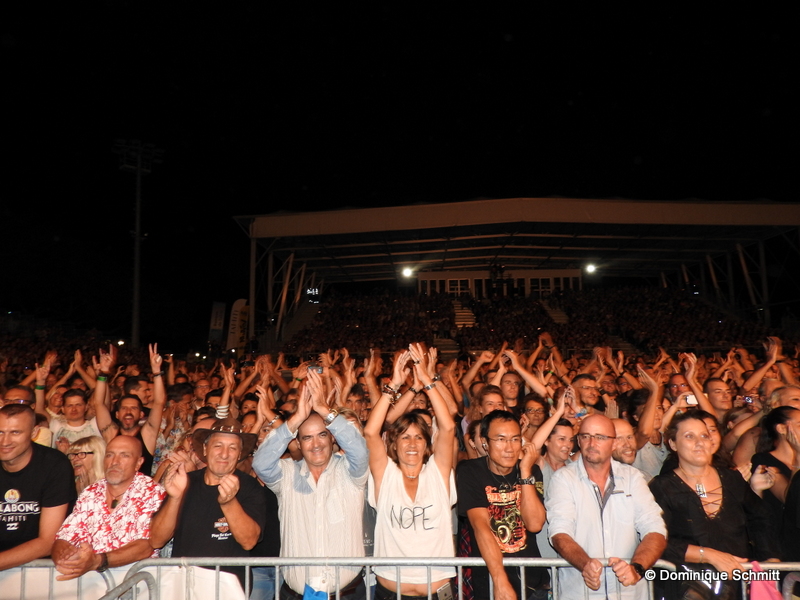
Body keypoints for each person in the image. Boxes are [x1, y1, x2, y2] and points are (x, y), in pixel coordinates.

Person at [252, 369, 368, 600]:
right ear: (298, 443)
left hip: (347, 593)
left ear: (332, 437)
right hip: (296, 594)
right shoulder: (286, 474)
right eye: (307, 437)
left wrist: (325, 409)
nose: (316, 444)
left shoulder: (351, 471)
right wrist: (295, 419)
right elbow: (260, 463)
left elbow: (360, 450)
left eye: (322, 435)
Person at [649, 411, 778, 599]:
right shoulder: (662, 487)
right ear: (673, 444)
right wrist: (707, 555)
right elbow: (654, 540)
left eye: (704, 436)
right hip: (686, 586)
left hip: (735, 584)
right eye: (689, 436)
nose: (699, 442)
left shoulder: (732, 479)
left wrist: (770, 558)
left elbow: (761, 519)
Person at [365, 345, 456, 600]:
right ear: (394, 444)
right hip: (390, 592)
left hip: (436, 592)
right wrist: (394, 385)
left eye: (418, 437)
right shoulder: (386, 474)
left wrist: (427, 380)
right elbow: (371, 432)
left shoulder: (437, 473)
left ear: (427, 444)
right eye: (405, 437)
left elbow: (448, 427)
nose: (412, 444)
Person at [546, 414, 666, 600]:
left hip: (629, 593)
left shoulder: (632, 478)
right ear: (579, 441)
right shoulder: (563, 479)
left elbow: (655, 529)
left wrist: (637, 568)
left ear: (614, 443)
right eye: (585, 436)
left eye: (600, 437)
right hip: (581, 592)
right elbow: (559, 533)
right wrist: (585, 564)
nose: (592, 443)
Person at [150, 417, 266, 594]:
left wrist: (229, 503)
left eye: (232, 448)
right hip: (183, 587)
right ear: (205, 449)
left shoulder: (250, 487)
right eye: (218, 445)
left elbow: (249, 542)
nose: (224, 454)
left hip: (227, 588)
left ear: (240, 454)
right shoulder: (185, 482)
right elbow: (156, 540)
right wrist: (175, 498)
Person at [457, 410, 548, 600]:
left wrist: (525, 473)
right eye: (500, 439)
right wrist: (500, 580)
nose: (509, 448)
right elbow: (480, 526)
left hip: (533, 583)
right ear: (485, 442)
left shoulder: (531, 470)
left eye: (515, 439)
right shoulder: (470, 471)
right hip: (490, 580)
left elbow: (534, 524)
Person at [51, 435, 165, 580]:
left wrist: (97, 561)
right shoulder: (91, 492)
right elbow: (63, 538)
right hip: (91, 582)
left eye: (124, 456)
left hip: (136, 583)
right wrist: (64, 560)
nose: (114, 462)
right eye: (110, 455)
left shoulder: (152, 492)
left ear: (138, 463)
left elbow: (147, 546)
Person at [0, 404, 76, 570]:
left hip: (39, 569)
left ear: (34, 433)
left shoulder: (54, 465)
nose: (5, 441)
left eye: (15, 432)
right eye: (0, 432)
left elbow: (48, 542)